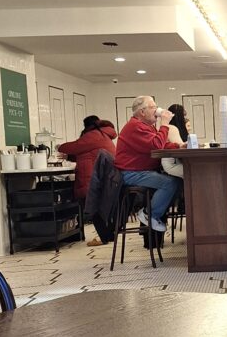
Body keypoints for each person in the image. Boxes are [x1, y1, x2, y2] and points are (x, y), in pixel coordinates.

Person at [114, 96, 180, 234]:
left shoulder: (144, 126)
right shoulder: (135, 127)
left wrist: (179, 146)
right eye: (153, 107)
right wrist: (165, 123)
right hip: (131, 173)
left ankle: (154, 213)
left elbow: (159, 144)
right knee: (170, 183)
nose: (156, 110)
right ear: (142, 112)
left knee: (176, 181)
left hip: (139, 171)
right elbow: (156, 145)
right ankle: (149, 214)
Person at [58, 115, 117, 246]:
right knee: (100, 208)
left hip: (93, 178)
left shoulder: (93, 135)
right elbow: (85, 153)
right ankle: (108, 235)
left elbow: (72, 147)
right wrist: (69, 157)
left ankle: (105, 236)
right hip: (107, 178)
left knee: (92, 206)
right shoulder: (103, 135)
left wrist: (58, 146)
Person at [160, 103, 189, 179]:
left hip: (172, 163)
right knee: (197, 171)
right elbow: (181, 148)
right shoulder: (172, 128)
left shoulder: (168, 127)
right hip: (172, 165)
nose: (185, 119)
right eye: (184, 116)